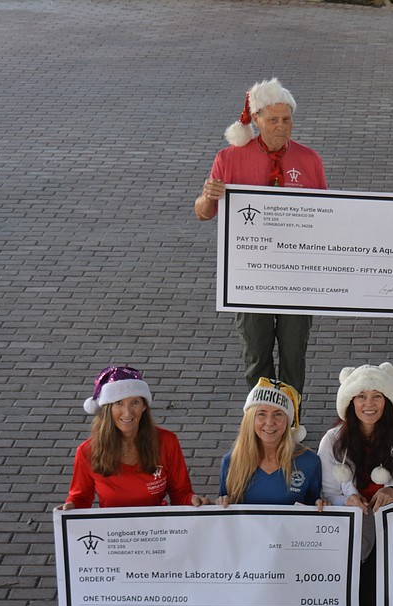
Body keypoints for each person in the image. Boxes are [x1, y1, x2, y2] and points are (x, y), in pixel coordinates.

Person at [194, 78, 328, 395]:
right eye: (273, 120)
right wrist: (209, 196)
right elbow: (202, 212)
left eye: (286, 119)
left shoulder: (310, 160)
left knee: (294, 355)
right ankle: (263, 421)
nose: (281, 127)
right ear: (256, 120)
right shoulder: (229, 159)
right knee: (257, 357)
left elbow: (326, 215)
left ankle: (292, 421)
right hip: (251, 277)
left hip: (296, 276)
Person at [62, 366, 205, 509]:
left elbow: (180, 493)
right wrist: (69, 508)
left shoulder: (167, 441)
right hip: (109, 529)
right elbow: (80, 499)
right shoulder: (87, 451)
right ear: (107, 409)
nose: (127, 412)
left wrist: (193, 500)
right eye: (119, 403)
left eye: (135, 402)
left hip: (157, 527)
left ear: (144, 406)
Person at [318, 363, 393, 558]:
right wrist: (347, 500)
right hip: (351, 528)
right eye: (361, 397)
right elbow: (329, 493)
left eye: (377, 396)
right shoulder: (332, 441)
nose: (369, 404)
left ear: (388, 402)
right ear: (350, 402)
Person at [219, 378, 321, 506]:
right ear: (250, 419)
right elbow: (223, 514)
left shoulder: (310, 462)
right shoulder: (231, 462)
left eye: (278, 414)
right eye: (261, 414)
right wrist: (220, 502)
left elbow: (314, 511)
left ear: (288, 421)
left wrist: (322, 506)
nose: (269, 422)